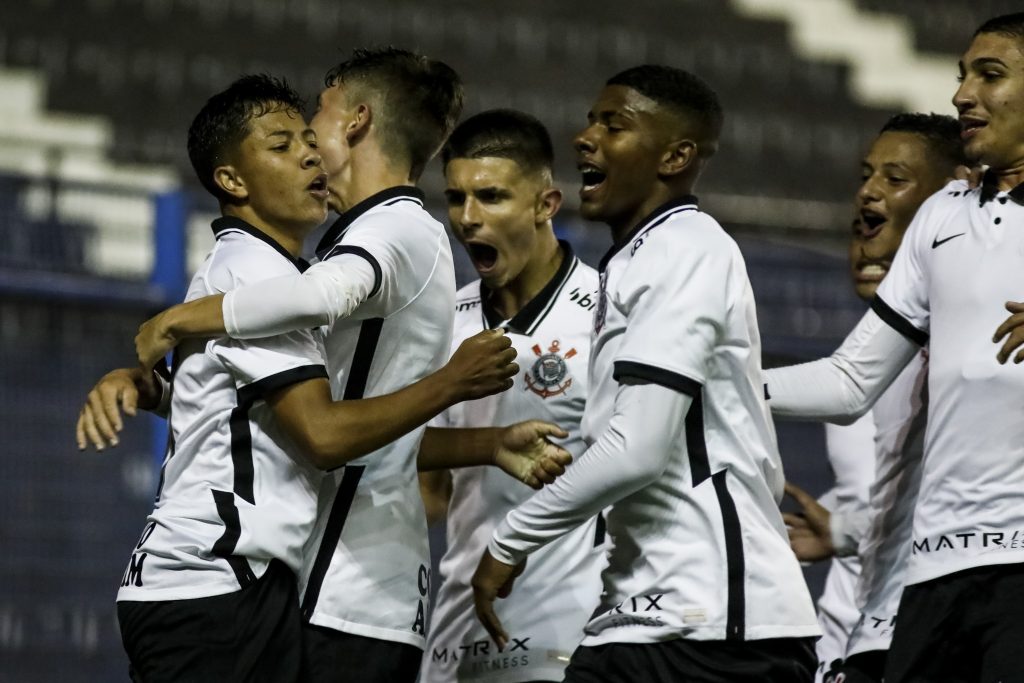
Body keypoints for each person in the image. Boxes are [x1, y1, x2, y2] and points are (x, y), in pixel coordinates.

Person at [102, 73, 519, 683]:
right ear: (231, 180)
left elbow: (251, 410)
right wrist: (450, 384)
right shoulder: (262, 274)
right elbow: (321, 433)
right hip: (220, 582)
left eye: (308, 130)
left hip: (242, 584)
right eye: (281, 144)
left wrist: (160, 367)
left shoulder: (290, 265)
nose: (308, 150)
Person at [471, 65, 820, 682]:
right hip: (648, 613)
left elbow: (637, 450)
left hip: (712, 627)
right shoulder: (633, 261)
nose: (584, 138)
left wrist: (510, 539)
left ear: (675, 156)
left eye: (614, 124)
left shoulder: (685, 247)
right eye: (589, 121)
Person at [765, 13, 1024, 682]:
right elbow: (852, 379)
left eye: (989, 75)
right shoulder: (941, 216)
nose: (964, 94)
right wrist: (716, 385)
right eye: (961, 76)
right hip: (933, 574)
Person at [418, 109, 606, 683]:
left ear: (545, 204)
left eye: (491, 197)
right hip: (458, 617)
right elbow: (407, 462)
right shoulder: (441, 322)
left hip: (570, 623)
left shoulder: (609, 314)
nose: (467, 218)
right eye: (455, 198)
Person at [783, 113, 965, 682]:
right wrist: (842, 527)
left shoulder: (967, 344)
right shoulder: (853, 367)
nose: (869, 193)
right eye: (867, 176)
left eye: (895, 178)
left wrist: (713, 384)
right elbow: (889, 499)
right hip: (863, 625)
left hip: (938, 617)